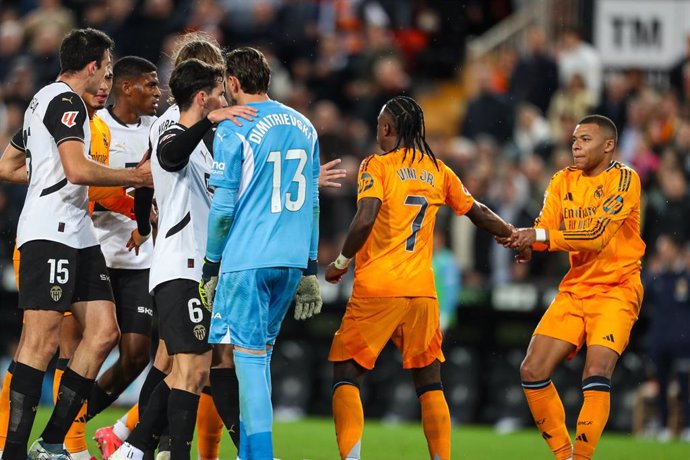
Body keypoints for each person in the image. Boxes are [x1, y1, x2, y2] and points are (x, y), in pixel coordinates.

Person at [324, 95, 519, 460]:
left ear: (386, 128)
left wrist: (340, 260)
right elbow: (476, 211)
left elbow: (365, 218)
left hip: (379, 288)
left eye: (381, 125)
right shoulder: (437, 170)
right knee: (430, 383)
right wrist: (512, 233)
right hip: (423, 293)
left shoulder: (376, 165)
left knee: (346, 373)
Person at [2, 28, 152, 460]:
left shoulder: (42, 101)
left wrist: (46, 174)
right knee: (41, 342)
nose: (107, 81)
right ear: (92, 67)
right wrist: (135, 178)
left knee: (104, 332)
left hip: (78, 234)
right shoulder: (67, 102)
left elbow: (8, 165)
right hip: (51, 233)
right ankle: (13, 451)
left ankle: (52, 443)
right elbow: (76, 170)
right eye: (106, 72)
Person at [109, 58, 256, 460]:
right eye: (219, 94)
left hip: (198, 270)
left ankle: (132, 448)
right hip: (179, 268)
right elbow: (170, 158)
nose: (225, 100)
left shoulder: (205, 150)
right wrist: (211, 121)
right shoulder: (171, 129)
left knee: (189, 370)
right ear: (202, 97)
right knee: (190, 371)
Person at [201, 46, 321, 460]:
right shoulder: (306, 126)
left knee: (247, 364)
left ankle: (262, 457)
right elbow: (314, 203)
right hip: (289, 260)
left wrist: (211, 266)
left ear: (232, 84)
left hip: (247, 259)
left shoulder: (235, 126)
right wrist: (309, 268)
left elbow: (221, 211)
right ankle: (249, 454)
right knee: (261, 359)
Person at [502, 114, 645, 460]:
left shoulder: (625, 180)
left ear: (609, 145)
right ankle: (564, 456)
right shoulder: (562, 180)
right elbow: (544, 227)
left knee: (596, 369)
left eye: (585, 140)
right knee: (532, 369)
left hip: (617, 288)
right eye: (574, 140)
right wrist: (526, 243)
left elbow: (596, 237)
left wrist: (538, 237)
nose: (576, 146)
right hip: (576, 288)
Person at [86, 55, 161, 425]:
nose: (157, 92)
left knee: (135, 355)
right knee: (88, 347)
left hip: (140, 261)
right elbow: (87, 189)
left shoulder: (159, 130)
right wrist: (134, 207)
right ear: (126, 88)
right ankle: (65, 435)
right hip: (96, 252)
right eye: (150, 84)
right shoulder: (96, 126)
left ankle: (76, 421)